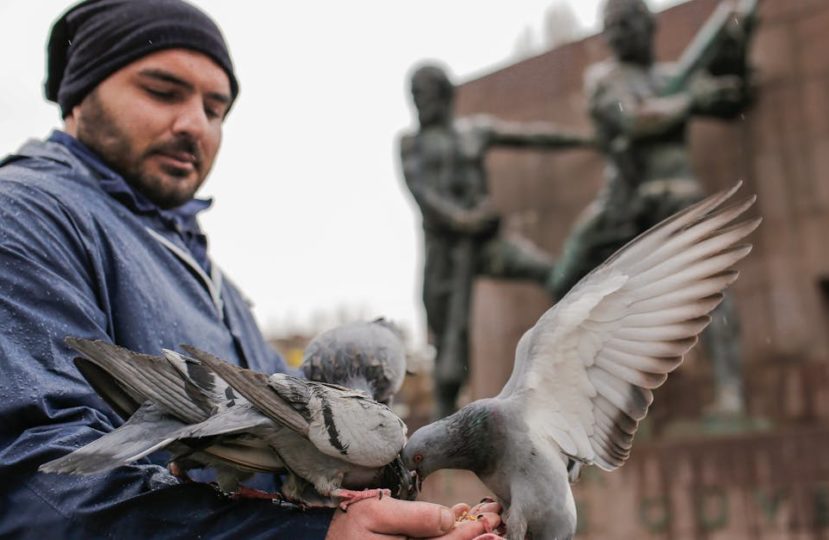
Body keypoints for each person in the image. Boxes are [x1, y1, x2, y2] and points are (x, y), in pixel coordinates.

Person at [0, 1, 501, 538]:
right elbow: (35, 482)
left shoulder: (207, 275)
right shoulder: (24, 214)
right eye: (162, 92)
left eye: (215, 109)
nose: (195, 124)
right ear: (79, 97)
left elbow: (275, 477)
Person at [548, 0, 756, 414]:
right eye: (611, 27)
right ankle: (565, 392)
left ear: (648, 27)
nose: (618, 34)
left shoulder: (672, 76)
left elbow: (733, 99)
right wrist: (686, 101)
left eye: (626, 24)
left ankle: (730, 391)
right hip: (622, 203)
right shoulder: (604, 77)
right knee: (566, 278)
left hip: (676, 194)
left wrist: (736, 46)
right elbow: (634, 121)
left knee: (711, 291)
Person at [399, 64, 592, 420]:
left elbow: (531, 137)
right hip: (445, 255)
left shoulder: (475, 132)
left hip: (487, 245)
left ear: (443, 94)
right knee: (447, 343)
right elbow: (423, 195)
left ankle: (578, 363)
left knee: (554, 275)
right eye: (414, 95)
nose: (418, 102)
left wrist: (586, 139)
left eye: (423, 93)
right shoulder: (410, 144)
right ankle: (444, 426)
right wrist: (463, 220)